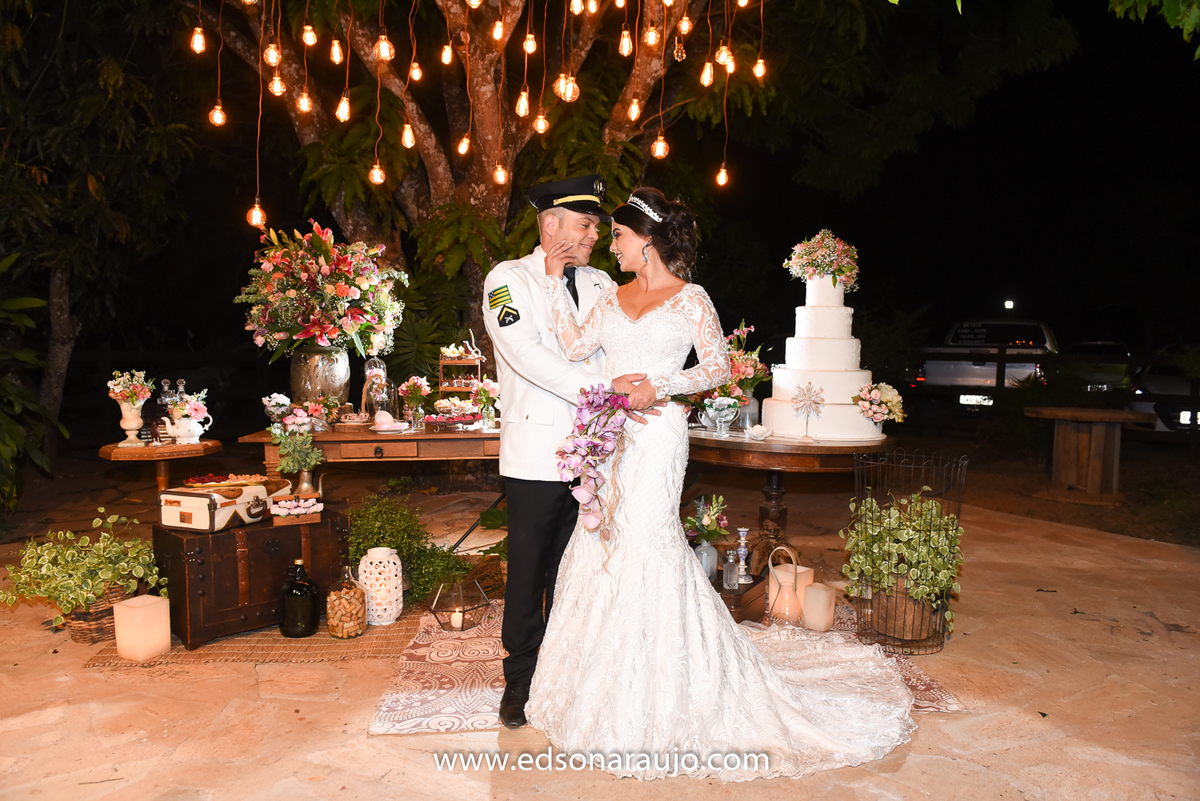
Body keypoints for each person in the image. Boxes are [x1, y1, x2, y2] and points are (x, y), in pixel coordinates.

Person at [523, 187, 916, 781]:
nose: (613, 246)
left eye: (621, 236)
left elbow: (717, 366)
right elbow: (575, 347)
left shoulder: (691, 299)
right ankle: (598, 685)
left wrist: (659, 384)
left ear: (646, 239)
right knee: (604, 542)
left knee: (650, 543)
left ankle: (670, 687)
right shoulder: (608, 297)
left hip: (658, 437)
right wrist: (554, 279)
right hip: (612, 441)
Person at [482, 174, 651, 730]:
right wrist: (603, 387)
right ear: (550, 224)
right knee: (529, 570)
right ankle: (520, 682)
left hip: (598, 456)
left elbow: (619, 349)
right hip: (536, 453)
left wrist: (619, 384)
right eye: (585, 224)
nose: (595, 235)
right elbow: (526, 353)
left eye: (598, 225)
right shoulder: (508, 280)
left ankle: (570, 675)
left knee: (578, 572)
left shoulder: (604, 282)